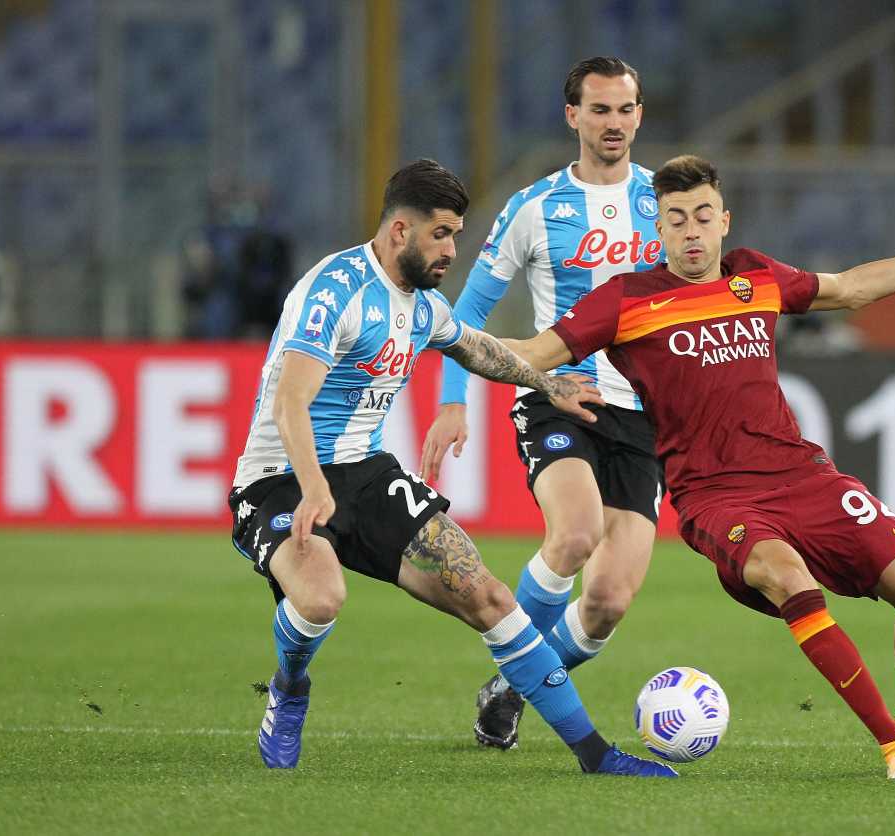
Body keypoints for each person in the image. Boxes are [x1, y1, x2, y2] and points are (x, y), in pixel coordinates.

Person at [499, 154, 895, 780]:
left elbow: (854, 286)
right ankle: (892, 745)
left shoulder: (758, 276)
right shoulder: (625, 301)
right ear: (656, 229)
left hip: (801, 473)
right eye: (675, 220)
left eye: (701, 217)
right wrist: (439, 333)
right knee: (786, 574)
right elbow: (532, 352)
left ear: (724, 220)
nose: (690, 232)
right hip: (715, 495)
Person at [227, 158, 675, 778]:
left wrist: (549, 382)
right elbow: (289, 401)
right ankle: (289, 685)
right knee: (322, 598)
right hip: (281, 478)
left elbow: (483, 348)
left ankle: (595, 755)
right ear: (399, 231)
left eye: (457, 234)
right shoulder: (334, 289)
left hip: (368, 474)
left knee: (487, 594)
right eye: (442, 234)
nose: (452, 249)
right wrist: (311, 487)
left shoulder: (421, 305)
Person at [421, 57, 666, 750]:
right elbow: (466, 310)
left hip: (644, 415)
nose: (613, 123)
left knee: (608, 602)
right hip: (561, 394)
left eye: (624, 109)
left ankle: (511, 688)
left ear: (640, 114)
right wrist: (452, 400)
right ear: (573, 117)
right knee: (576, 531)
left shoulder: (669, 205)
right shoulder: (535, 207)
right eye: (599, 110)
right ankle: (515, 663)